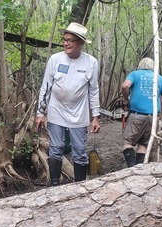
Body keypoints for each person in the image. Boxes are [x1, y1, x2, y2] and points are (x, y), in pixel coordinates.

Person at [36, 22, 101, 186]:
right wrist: (40, 113)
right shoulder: (55, 59)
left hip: (79, 113)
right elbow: (46, 86)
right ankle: (55, 184)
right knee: (56, 148)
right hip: (56, 109)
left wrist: (96, 117)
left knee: (79, 150)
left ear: (80, 43)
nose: (66, 43)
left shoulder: (91, 62)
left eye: (70, 40)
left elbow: (93, 90)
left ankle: (80, 186)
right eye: (65, 40)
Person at [120, 57, 162, 167]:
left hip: (136, 115)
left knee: (127, 142)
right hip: (153, 118)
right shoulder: (159, 78)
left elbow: (125, 86)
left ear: (140, 65)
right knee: (143, 144)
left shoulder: (135, 74)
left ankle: (131, 168)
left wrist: (126, 99)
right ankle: (139, 168)